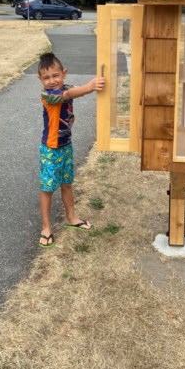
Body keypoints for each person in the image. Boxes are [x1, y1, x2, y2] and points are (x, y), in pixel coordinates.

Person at [35, 52, 105, 247]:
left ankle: (71, 218)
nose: (51, 81)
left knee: (67, 183)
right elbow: (67, 95)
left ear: (64, 74)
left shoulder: (66, 86)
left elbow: (71, 92)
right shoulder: (47, 95)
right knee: (47, 188)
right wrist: (90, 87)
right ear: (40, 80)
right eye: (46, 78)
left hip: (66, 146)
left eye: (55, 76)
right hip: (50, 149)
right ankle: (46, 227)